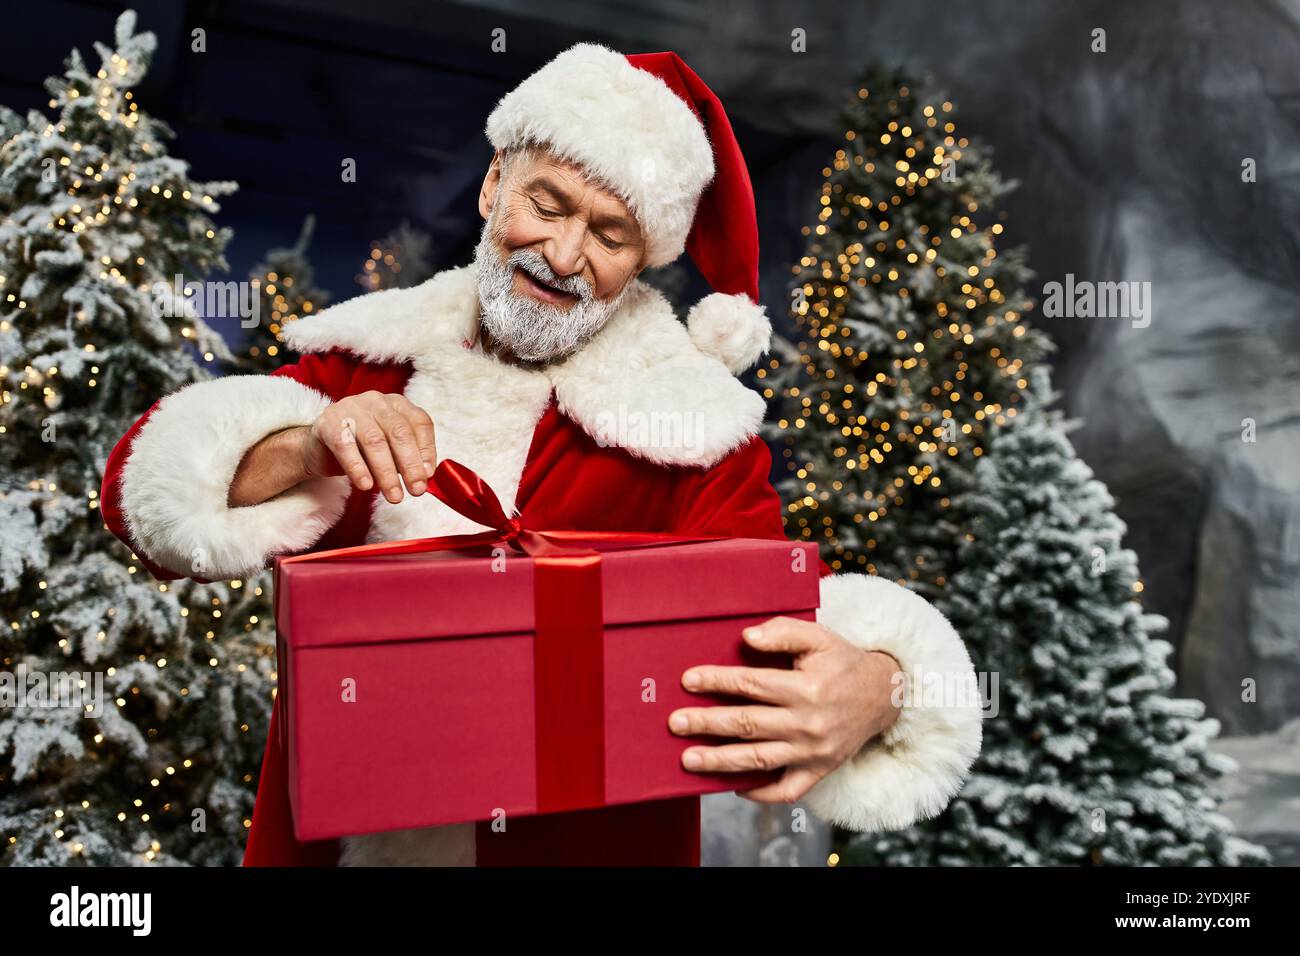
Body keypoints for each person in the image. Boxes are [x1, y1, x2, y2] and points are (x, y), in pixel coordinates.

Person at [100, 43, 983, 866]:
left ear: (645, 260)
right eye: (547, 203)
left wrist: (883, 682)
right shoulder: (364, 363)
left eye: (609, 236)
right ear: (493, 184)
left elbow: (781, 623)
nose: (562, 255)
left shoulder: (693, 429)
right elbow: (145, 504)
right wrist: (305, 445)